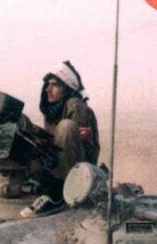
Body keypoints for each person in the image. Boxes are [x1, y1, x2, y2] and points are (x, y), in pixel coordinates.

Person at [21, 61, 100, 217]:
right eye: (47, 85)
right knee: (24, 127)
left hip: (80, 169)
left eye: (54, 85)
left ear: (66, 88)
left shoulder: (75, 105)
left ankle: (57, 195)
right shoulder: (53, 110)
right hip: (59, 162)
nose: (48, 89)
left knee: (66, 127)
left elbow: (73, 141)